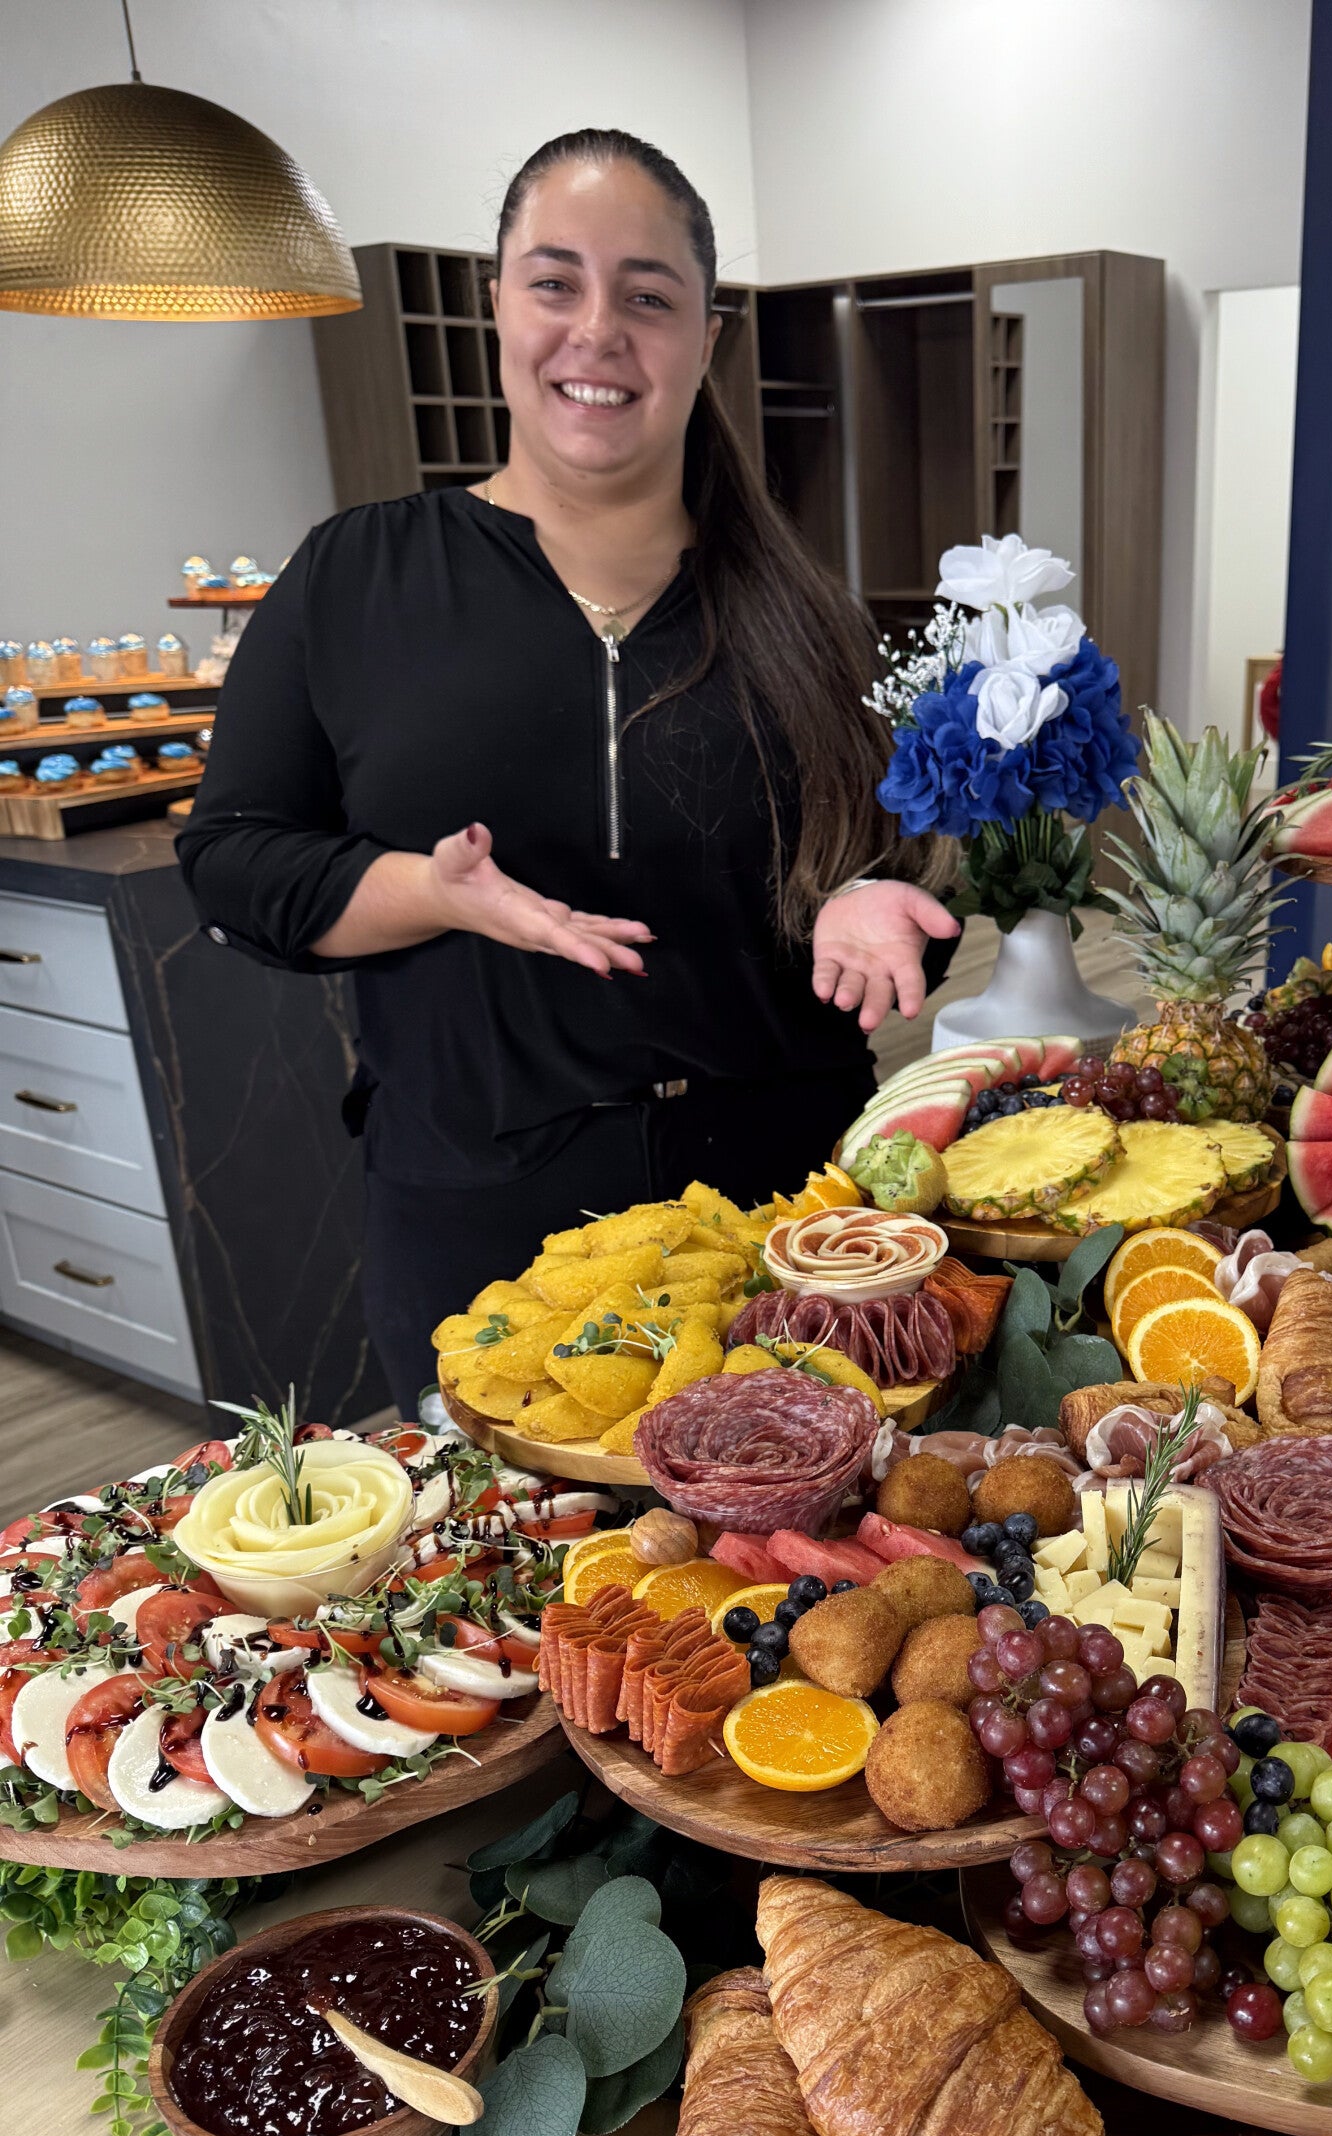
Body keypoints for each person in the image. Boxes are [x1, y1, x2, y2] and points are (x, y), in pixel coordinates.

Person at [179, 128, 957, 1414]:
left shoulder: (808, 612)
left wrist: (877, 887)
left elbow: (907, 852)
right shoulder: (357, 578)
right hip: (481, 1227)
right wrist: (429, 892)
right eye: (555, 282)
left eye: (647, 297)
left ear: (704, 338)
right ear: (498, 302)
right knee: (517, 1547)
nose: (597, 331)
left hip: (782, 1218)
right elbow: (235, 859)